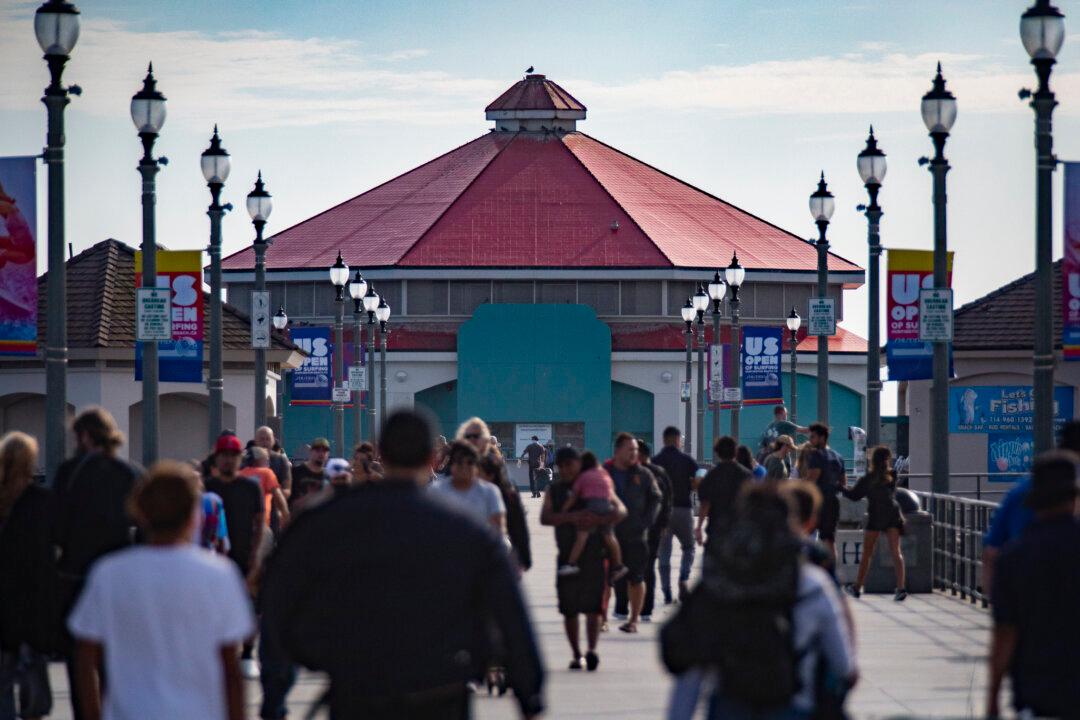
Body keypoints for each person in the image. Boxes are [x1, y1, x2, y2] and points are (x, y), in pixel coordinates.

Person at [261, 410, 545, 719]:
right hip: (442, 692)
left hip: (358, 692)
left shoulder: (325, 522)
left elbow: (278, 602)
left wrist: (304, 668)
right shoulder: (467, 530)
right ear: (431, 457)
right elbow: (511, 617)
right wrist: (529, 696)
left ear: (381, 452)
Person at [68, 461, 254, 720]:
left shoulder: (108, 574)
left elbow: (85, 658)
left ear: (140, 512)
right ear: (194, 515)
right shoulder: (219, 575)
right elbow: (230, 670)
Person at [699, 487, 857, 720]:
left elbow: (690, 662)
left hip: (730, 700)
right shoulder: (813, 579)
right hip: (792, 700)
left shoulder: (722, 576)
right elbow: (843, 665)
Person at [54, 407, 142, 720]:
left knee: (80, 658)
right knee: (115, 661)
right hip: (121, 583)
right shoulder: (131, 474)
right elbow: (143, 529)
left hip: (77, 577)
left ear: (85, 435)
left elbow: (57, 526)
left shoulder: (69, 472)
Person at [988, 450, 1080, 718]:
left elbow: (1005, 633)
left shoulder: (1014, 556)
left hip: (1038, 695)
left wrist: (992, 698)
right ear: (1073, 498)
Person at [541, 447, 627, 673]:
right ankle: (576, 653)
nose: (566, 469)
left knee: (593, 609)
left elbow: (621, 510)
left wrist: (599, 519)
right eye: (561, 465)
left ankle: (591, 650)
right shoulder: (555, 490)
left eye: (570, 464)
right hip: (567, 557)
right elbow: (545, 517)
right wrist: (571, 517)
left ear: (579, 464)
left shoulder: (594, 483)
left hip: (594, 556)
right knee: (569, 610)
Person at [0, 433, 57, 720]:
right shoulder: (41, 501)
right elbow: (48, 555)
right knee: (33, 687)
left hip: (4, 601)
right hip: (32, 604)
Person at [203, 434, 264, 680]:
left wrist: (255, 554)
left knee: (249, 607)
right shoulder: (207, 487)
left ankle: (248, 653)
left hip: (243, 555)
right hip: (213, 560)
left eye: (232, 456)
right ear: (217, 459)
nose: (228, 460)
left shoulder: (251, 487)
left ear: (240, 459)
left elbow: (260, 523)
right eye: (224, 456)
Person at [458, 418, 532, 571]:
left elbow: (516, 522)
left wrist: (523, 557)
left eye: (476, 436)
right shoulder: (454, 469)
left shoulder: (495, 468)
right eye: (468, 437)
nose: (472, 440)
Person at [606, 433, 661, 634]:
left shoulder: (644, 474)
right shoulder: (605, 472)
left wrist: (646, 522)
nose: (634, 454)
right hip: (608, 534)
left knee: (637, 577)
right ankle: (602, 617)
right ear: (618, 450)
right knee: (606, 578)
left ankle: (634, 620)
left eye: (636, 450)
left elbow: (656, 498)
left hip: (636, 535)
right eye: (630, 449)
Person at [842, 445, 907, 601]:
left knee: (867, 553)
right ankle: (901, 588)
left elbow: (854, 496)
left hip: (876, 514)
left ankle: (857, 587)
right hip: (892, 513)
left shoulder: (868, 479)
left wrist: (839, 486)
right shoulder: (893, 474)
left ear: (873, 460)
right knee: (896, 552)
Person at [556, 452, 626, 580]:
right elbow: (611, 490)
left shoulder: (583, 476)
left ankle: (571, 563)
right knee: (609, 536)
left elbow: (574, 496)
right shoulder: (604, 474)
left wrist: (563, 510)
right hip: (607, 506)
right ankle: (619, 565)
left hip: (593, 506)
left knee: (582, 535)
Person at [653, 426, 699, 604]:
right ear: (678, 439)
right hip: (684, 509)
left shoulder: (655, 461)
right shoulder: (687, 460)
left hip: (662, 512)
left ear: (665, 440)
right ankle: (683, 578)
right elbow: (697, 482)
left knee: (664, 552)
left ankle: (666, 592)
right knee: (689, 547)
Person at [431, 441, 506, 533]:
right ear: (452, 465)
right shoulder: (436, 491)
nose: (464, 466)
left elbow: (498, 531)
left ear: (477, 465)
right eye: (459, 462)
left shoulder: (490, 492)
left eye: (470, 462)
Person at [695, 436, 752, 548]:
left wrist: (699, 527)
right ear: (735, 452)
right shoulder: (746, 475)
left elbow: (705, 504)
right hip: (739, 532)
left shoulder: (711, 475)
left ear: (717, 452)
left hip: (717, 532)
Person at [637, 441, 672, 622]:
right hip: (638, 528)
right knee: (642, 567)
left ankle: (646, 608)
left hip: (651, 527)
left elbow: (666, 499)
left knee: (648, 566)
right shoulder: (632, 471)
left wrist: (664, 522)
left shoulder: (655, 473)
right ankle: (639, 606)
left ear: (641, 454)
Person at [803, 423, 845, 562]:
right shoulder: (838, 457)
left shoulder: (816, 455)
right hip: (833, 503)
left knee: (805, 538)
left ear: (822, 438)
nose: (810, 440)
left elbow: (811, 479)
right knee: (829, 541)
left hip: (818, 503)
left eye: (813, 437)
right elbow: (843, 483)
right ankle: (833, 576)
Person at [241, 447, 290, 530]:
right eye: (267, 460)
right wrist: (286, 517)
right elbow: (278, 496)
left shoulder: (240, 474)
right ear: (258, 460)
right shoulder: (267, 473)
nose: (269, 463)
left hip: (241, 525)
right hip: (261, 525)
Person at [289, 438, 329, 507]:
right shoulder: (296, 472)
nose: (321, 454)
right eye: (317, 450)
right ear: (311, 452)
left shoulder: (328, 476)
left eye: (324, 451)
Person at [253, 426, 292, 499]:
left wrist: (270, 492)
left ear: (273, 441)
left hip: (274, 506)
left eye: (268, 439)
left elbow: (287, 491)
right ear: (255, 441)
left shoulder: (281, 460)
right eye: (261, 439)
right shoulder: (246, 459)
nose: (265, 442)